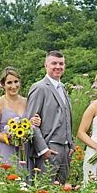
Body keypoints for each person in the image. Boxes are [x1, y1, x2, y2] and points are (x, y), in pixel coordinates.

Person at [25, 50, 74, 184]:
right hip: (49, 148)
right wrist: (43, 149)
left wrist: (71, 145)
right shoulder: (39, 88)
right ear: (46, 65)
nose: (58, 66)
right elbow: (30, 122)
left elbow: (67, 119)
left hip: (65, 150)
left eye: (61, 63)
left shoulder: (63, 88)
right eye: (54, 63)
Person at [0, 66, 36, 169]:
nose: (13, 86)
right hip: (6, 148)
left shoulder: (27, 102)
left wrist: (36, 122)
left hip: (24, 149)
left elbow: (31, 123)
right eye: (9, 83)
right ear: (3, 85)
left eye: (16, 81)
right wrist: (8, 138)